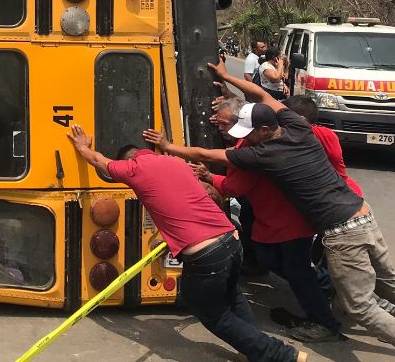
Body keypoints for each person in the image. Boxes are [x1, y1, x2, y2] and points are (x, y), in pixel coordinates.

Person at [144, 59, 395, 348]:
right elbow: (262, 95)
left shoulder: (262, 153)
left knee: (360, 307)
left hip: (342, 230)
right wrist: (227, 77)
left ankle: (329, 319)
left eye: (247, 132)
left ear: (264, 129)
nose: (244, 138)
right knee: (388, 283)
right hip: (363, 214)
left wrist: (167, 147)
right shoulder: (296, 126)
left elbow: (208, 155)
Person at [67, 125, 302, 362]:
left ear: (129, 159)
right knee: (233, 295)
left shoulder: (134, 167)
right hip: (231, 240)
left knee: (212, 313)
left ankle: (279, 354)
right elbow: (180, 201)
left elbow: (98, 161)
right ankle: (251, 350)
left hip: (206, 254)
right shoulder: (177, 163)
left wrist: (82, 147)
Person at [197, 96, 343, 342]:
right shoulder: (255, 141)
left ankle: (325, 317)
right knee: (276, 261)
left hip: (288, 219)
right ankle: (325, 287)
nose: (219, 127)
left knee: (295, 270)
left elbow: (235, 186)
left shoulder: (254, 149)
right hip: (276, 218)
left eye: (224, 123)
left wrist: (208, 177)